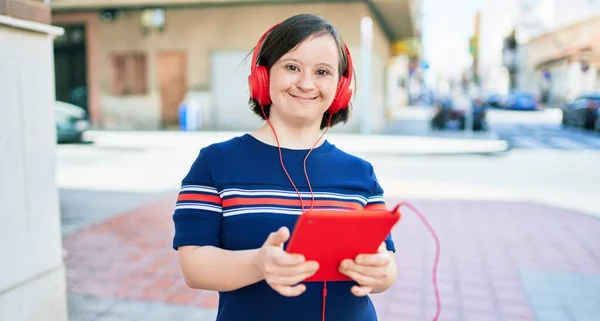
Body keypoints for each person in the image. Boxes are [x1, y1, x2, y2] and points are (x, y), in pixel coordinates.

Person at [172, 13, 397, 321]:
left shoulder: (361, 173)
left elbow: (386, 264)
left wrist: (381, 273)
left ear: (341, 88)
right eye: (292, 67)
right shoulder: (214, 163)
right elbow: (194, 267)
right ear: (263, 77)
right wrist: (257, 265)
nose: (306, 83)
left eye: (322, 71)